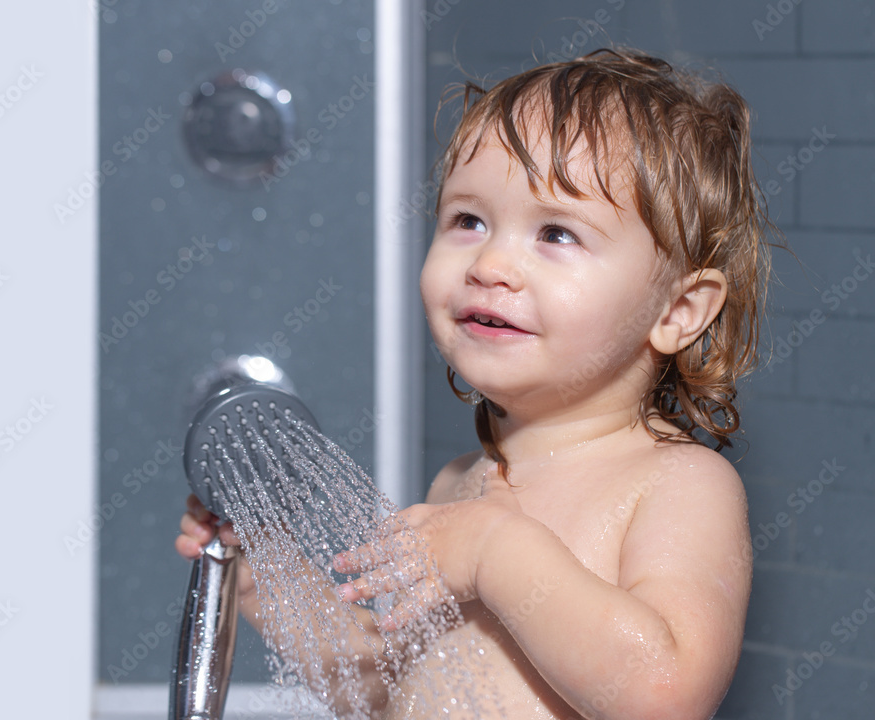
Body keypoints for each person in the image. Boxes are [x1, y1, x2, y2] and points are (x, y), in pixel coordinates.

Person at [177, 47, 772, 719]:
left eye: (555, 233)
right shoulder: (461, 484)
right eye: (469, 220)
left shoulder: (676, 485)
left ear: (677, 311)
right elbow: (387, 689)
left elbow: (664, 691)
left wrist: (495, 551)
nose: (491, 262)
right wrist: (264, 578)